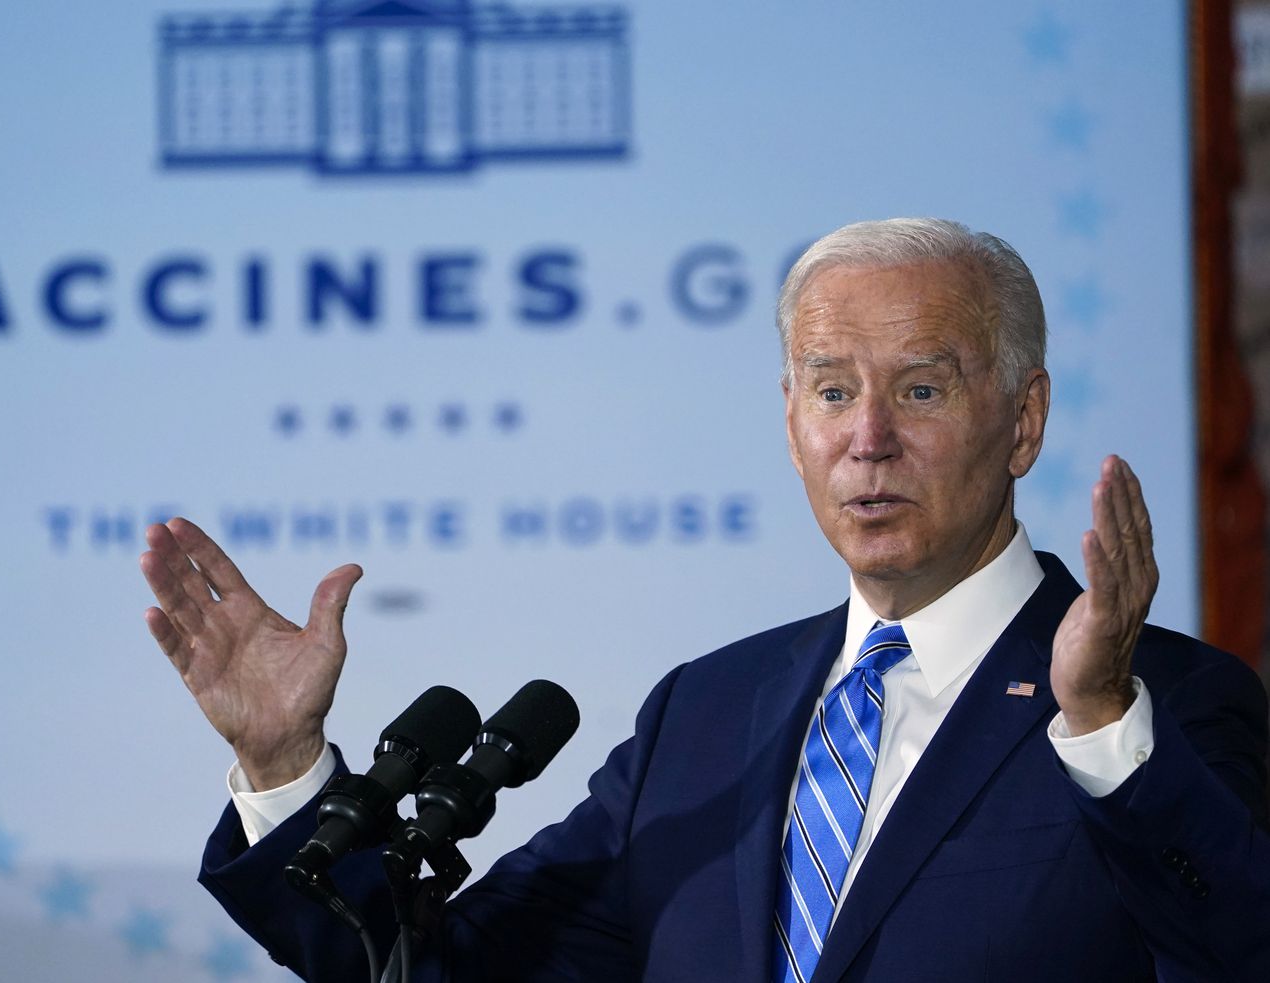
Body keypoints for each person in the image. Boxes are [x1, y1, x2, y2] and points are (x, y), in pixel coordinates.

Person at [141, 219, 1270, 982]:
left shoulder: (1159, 706)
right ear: (790, 422)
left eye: (919, 387)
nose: (866, 436)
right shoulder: (706, 712)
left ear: (1021, 420)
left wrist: (1101, 728)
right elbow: (431, 966)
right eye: (832, 390)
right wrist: (288, 764)